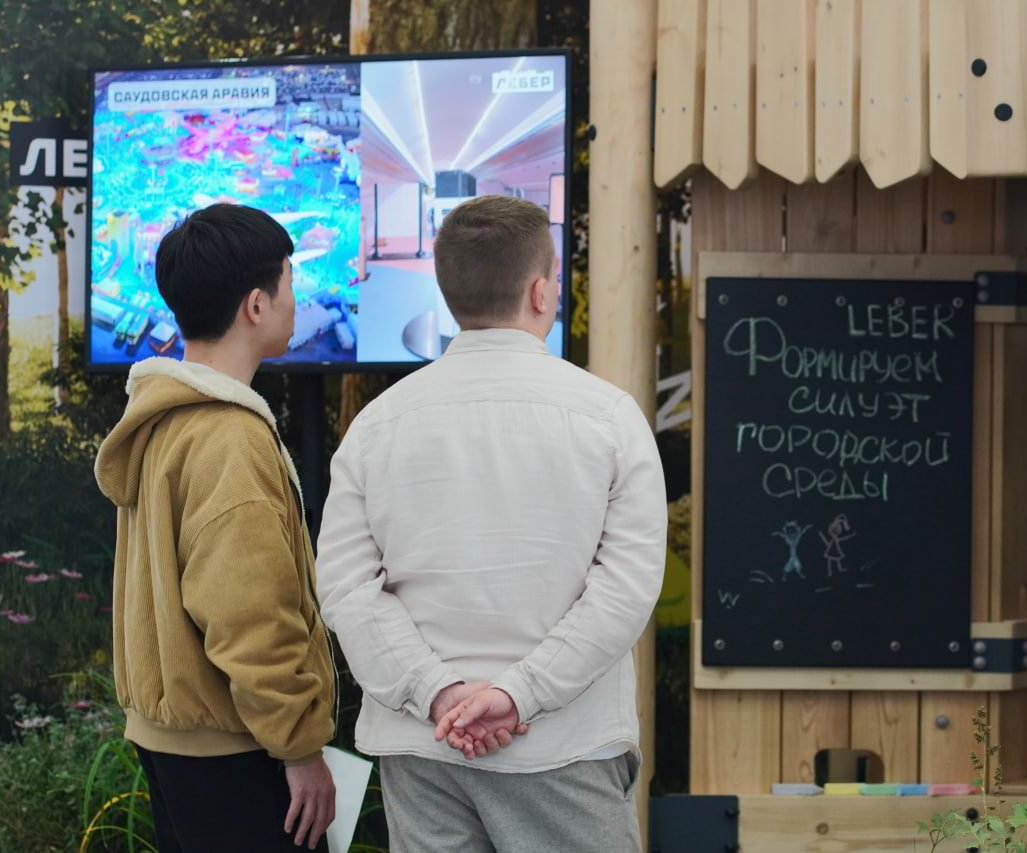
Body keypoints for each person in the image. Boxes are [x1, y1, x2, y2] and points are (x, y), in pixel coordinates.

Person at [317, 194, 667, 853]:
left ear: (448, 293)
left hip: (424, 748)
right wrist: (518, 695)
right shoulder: (609, 418)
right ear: (540, 291)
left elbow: (345, 588)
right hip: (564, 747)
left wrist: (438, 693)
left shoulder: (375, 426)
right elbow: (626, 588)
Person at [95, 203, 337, 852]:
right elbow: (248, 615)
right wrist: (299, 746)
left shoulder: (163, 420)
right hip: (235, 750)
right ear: (256, 305)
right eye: (290, 282)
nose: (296, 299)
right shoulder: (229, 436)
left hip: (173, 744)